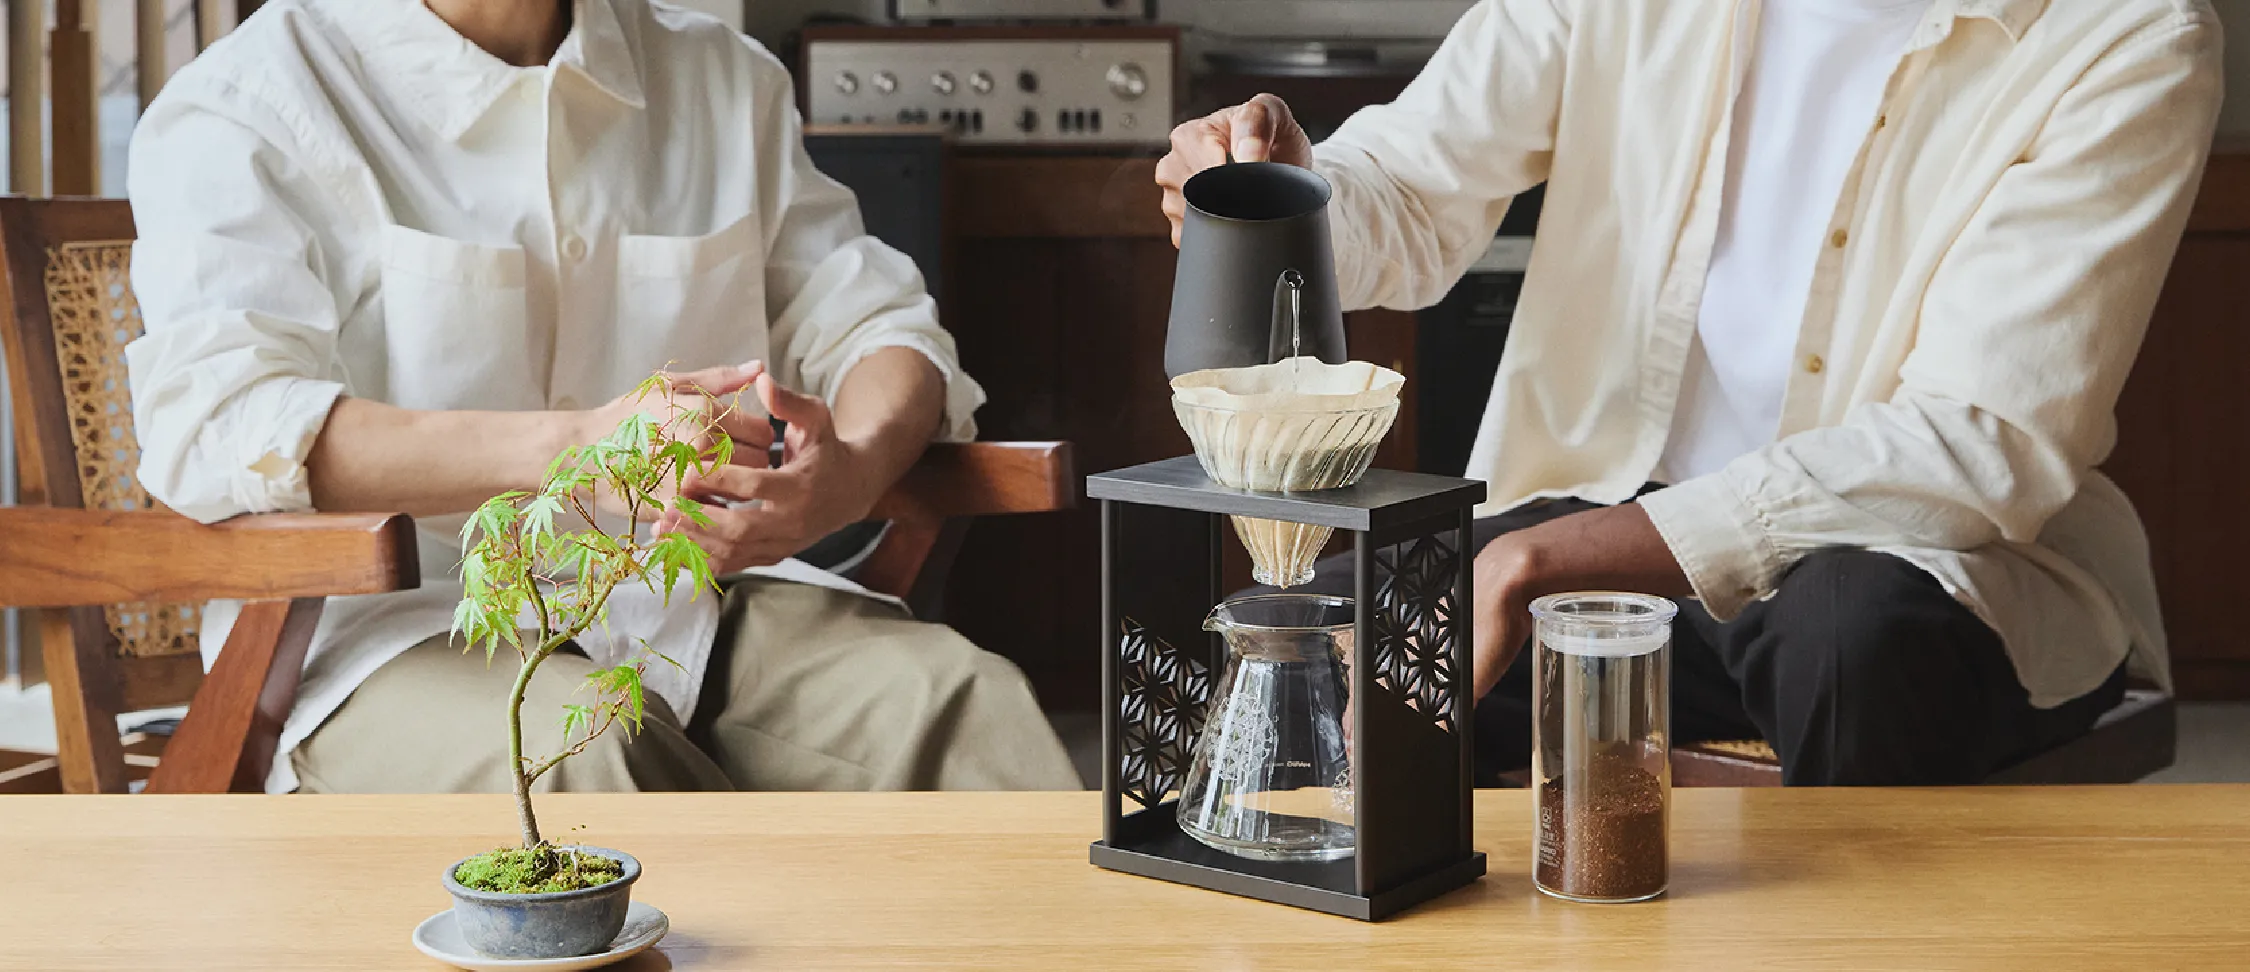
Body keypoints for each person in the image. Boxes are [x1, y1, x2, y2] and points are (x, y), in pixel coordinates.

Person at [1159, 0, 2222, 784]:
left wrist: (1540, 558)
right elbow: (1412, 187)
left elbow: (1979, 441)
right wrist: (1280, 193)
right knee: (1304, 642)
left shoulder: (2129, 35)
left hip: (1928, 565)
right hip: (1602, 522)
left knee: (1848, 642)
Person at [125, 0, 1079, 794]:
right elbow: (223, 422)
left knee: (956, 700)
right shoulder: (248, 101)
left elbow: (879, 328)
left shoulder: (720, 77)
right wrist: (582, 450)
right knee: (588, 754)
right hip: (398, 630)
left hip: (689, 604)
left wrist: (851, 472)